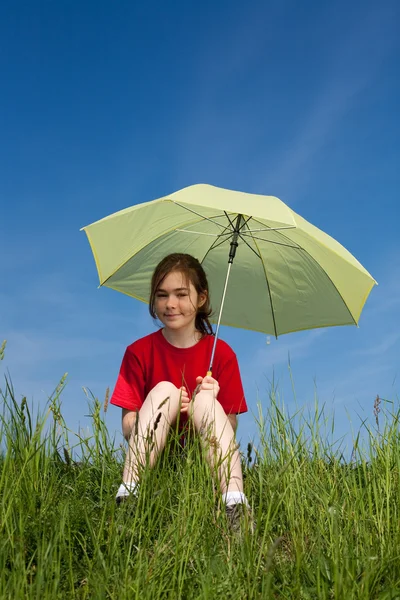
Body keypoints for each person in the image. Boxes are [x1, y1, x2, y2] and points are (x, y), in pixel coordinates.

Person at [110, 253, 252, 532]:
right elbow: (128, 426)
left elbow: (230, 427)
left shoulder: (221, 354)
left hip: (202, 463)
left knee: (205, 401)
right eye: (162, 295)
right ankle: (128, 495)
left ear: (201, 299)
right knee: (165, 390)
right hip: (155, 460)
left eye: (181, 294)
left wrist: (209, 400)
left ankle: (234, 504)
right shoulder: (138, 352)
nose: (170, 304)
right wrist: (166, 408)